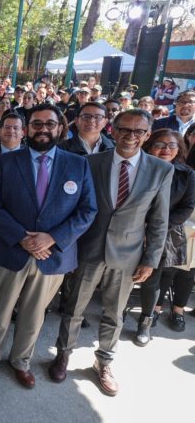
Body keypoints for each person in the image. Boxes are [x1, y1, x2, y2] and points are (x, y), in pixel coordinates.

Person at [49, 109, 173, 396]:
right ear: (112, 131)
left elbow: (159, 219)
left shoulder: (161, 170)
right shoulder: (91, 163)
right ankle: (63, 354)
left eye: (138, 131)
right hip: (88, 250)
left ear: (146, 134)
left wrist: (150, 259)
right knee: (73, 309)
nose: (130, 136)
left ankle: (104, 362)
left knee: (114, 314)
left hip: (128, 255)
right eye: (125, 130)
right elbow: (75, 207)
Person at [0, 104, 97, 388]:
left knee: (34, 315)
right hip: (10, 250)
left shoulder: (78, 163)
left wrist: (52, 238)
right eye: (36, 124)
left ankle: (21, 361)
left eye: (49, 124)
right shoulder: (5, 162)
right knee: (0, 310)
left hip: (53, 255)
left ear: (60, 128)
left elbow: (87, 210)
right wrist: (22, 237)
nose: (43, 129)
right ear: (27, 128)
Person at [134, 129, 195, 342]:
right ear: (150, 145)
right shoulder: (138, 167)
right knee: (122, 277)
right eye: (160, 144)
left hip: (164, 235)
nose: (166, 149)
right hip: (131, 230)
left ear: (179, 149)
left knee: (153, 281)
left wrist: (155, 227)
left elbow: (187, 207)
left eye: (172, 145)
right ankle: (116, 314)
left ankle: (145, 323)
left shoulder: (186, 174)